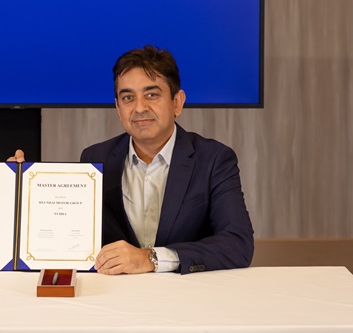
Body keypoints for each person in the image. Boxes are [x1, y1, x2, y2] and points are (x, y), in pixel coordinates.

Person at [81, 46, 254, 275]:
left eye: (151, 95)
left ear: (177, 102)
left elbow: (237, 244)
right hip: (115, 291)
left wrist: (150, 259)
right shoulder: (95, 159)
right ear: (118, 107)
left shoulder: (214, 159)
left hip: (187, 292)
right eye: (128, 98)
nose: (139, 108)